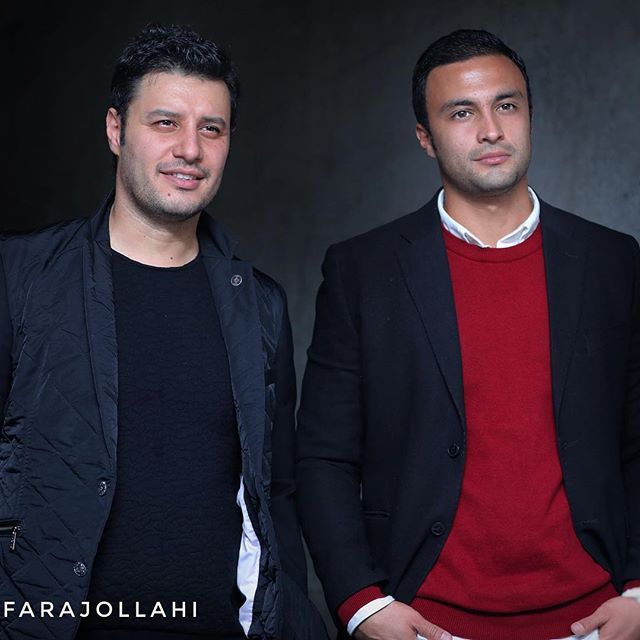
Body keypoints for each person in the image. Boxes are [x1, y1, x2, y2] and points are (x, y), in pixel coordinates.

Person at [296, 29, 640, 640]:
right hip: (426, 620)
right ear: (424, 137)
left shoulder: (613, 260)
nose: (490, 130)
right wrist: (361, 604)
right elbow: (324, 455)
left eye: (506, 105)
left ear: (529, 115)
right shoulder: (363, 271)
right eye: (462, 113)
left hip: (596, 616)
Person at [0, 24, 325, 640]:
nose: (190, 150)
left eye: (212, 129)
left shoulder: (259, 305)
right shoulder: (20, 277)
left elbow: (275, 493)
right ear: (115, 130)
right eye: (165, 123)